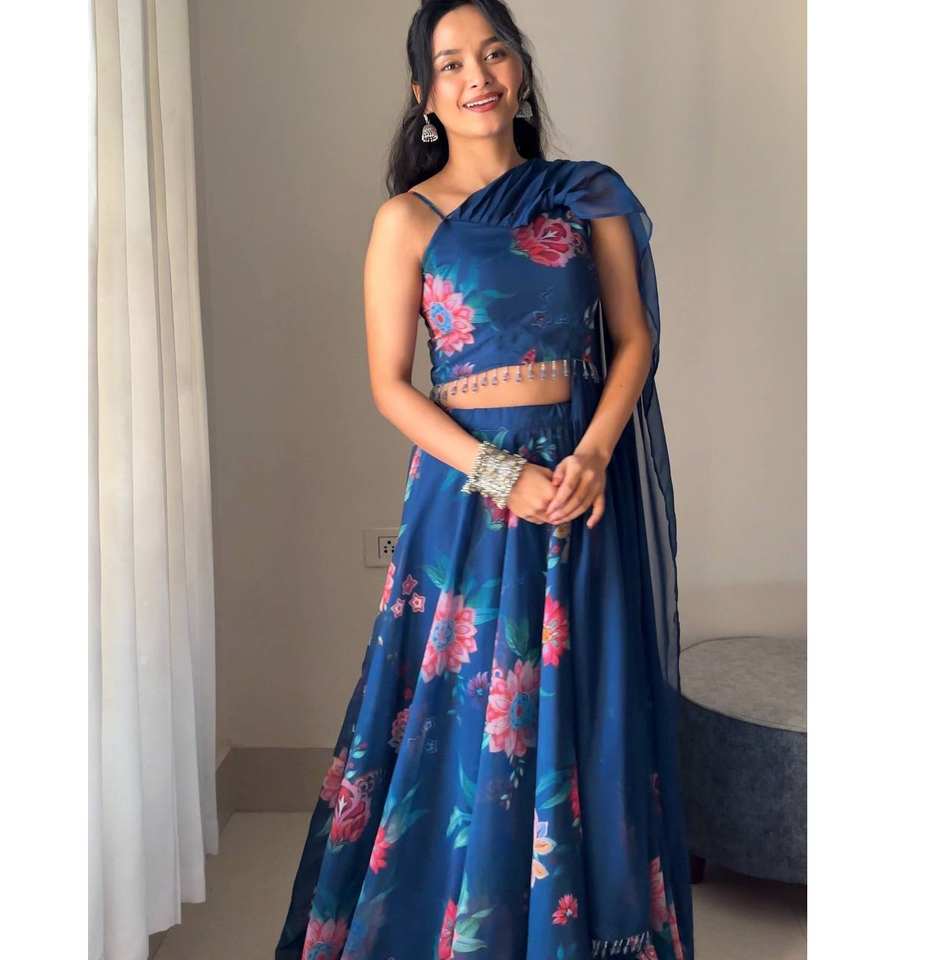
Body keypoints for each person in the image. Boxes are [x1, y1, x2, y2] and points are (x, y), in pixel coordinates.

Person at [274, 2, 693, 958]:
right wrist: (501, 474)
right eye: (453, 63)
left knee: (585, 702)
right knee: (462, 708)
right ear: (425, 94)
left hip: (583, 484)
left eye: (495, 52)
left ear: (521, 70)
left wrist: (593, 455)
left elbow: (633, 340)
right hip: (467, 493)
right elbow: (389, 384)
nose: (479, 76)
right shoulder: (408, 219)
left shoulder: (587, 196)